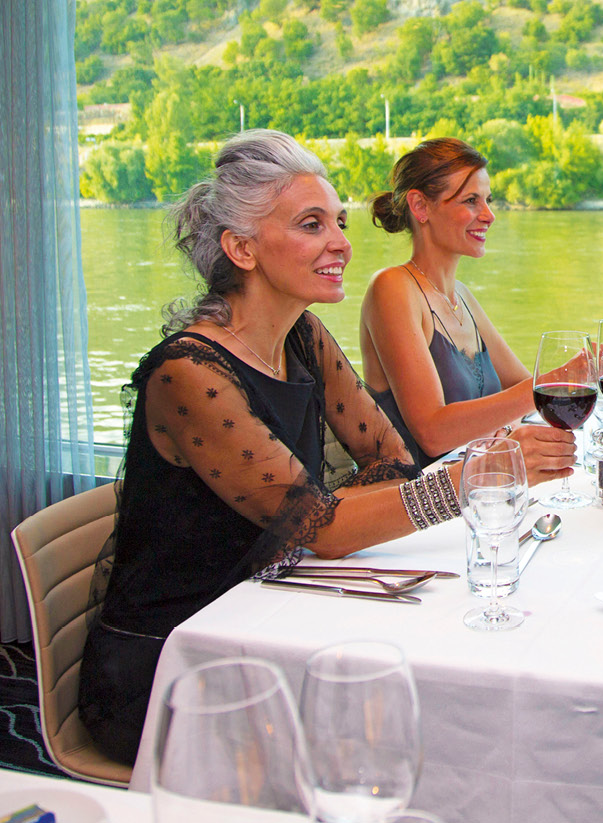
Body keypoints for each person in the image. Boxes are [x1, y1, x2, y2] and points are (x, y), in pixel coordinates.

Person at [79, 130, 516, 764]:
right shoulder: (190, 373)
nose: (341, 242)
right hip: (173, 665)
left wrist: (336, 521)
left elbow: (388, 455)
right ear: (241, 248)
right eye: (312, 225)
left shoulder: (301, 336)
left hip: (273, 613)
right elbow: (325, 527)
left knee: (432, 699)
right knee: (403, 726)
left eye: (337, 222)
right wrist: (479, 479)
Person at [359, 137, 574, 475]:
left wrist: (562, 383)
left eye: (487, 200)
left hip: (482, 491)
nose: (488, 215)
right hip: (419, 509)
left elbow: (522, 387)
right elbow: (433, 433)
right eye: (471, 201)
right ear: (420, 207)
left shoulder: (463, 297)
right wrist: (558, 380)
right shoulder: (392, 288)